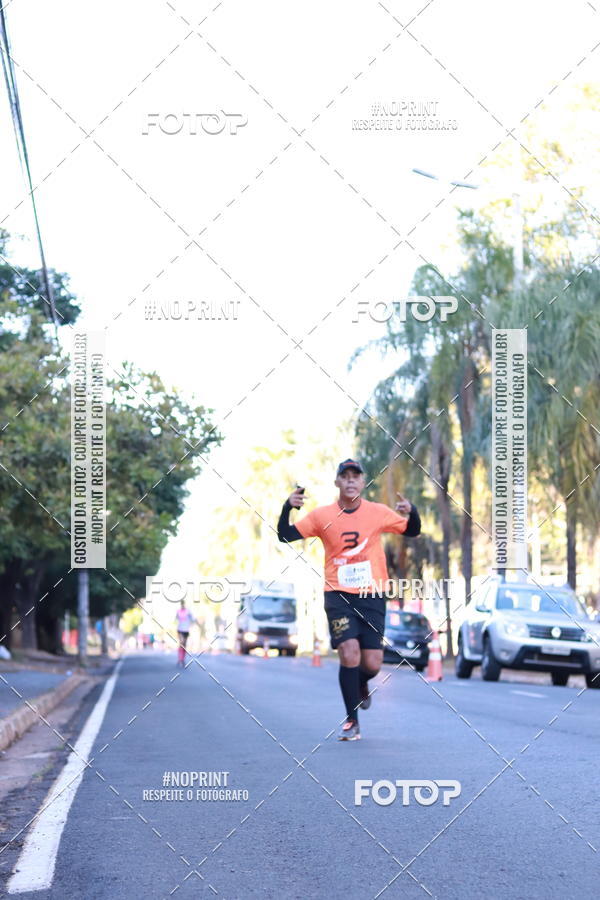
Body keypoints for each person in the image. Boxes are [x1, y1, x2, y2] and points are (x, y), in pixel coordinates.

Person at [277, 459, 421, 741]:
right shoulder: (321, 516)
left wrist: (412, 511)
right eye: (345, 476)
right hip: (338, 594)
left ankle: (361, 684)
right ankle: (351, 721)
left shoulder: (378, 512)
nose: (351, 481)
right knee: (349, 652)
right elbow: (285, 535)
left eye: (356, 476)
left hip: (373, 594)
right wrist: (287, 508)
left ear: (362, 482)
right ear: (337, 483)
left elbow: (412, 530)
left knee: (372, 663)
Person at [175, 601, 195, 667]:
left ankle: (182, 659)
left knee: (184, 645)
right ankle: (179, 658)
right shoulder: (178, 611)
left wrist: (191, 623)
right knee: (181, 643)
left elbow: (193, 619)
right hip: (180, 630)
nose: (183, 605)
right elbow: (176, 619)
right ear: (181, 605)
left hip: (186, 630)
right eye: (182, 604)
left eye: (184, 604)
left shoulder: (188, 611)